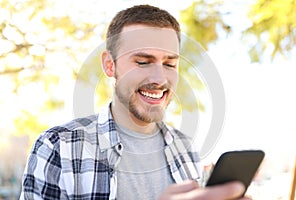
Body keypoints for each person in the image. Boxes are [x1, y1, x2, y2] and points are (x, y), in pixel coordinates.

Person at [20, 4, 251, 200]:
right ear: (110, 65)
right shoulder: (58, 147)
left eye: (170, 64)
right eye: (142, 62)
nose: (160, 79)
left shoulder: (186, 148)